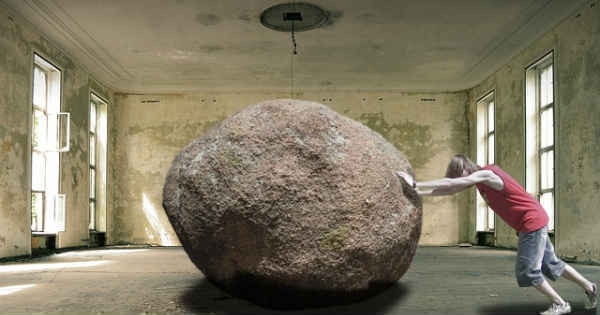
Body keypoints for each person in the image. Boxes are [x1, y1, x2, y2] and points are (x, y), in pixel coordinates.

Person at [396, 154, 598, 315]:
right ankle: (590, 287)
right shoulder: (479, 181)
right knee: (551, 263)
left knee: (528, 270)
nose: (461, 180)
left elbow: (450, 184)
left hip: (531, 222)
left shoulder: (488, 173)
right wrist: (417, 193)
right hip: (532, 221)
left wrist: (415, 183)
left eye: (460, 174)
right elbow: (448, 189)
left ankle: (560, 303)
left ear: (466, 167)